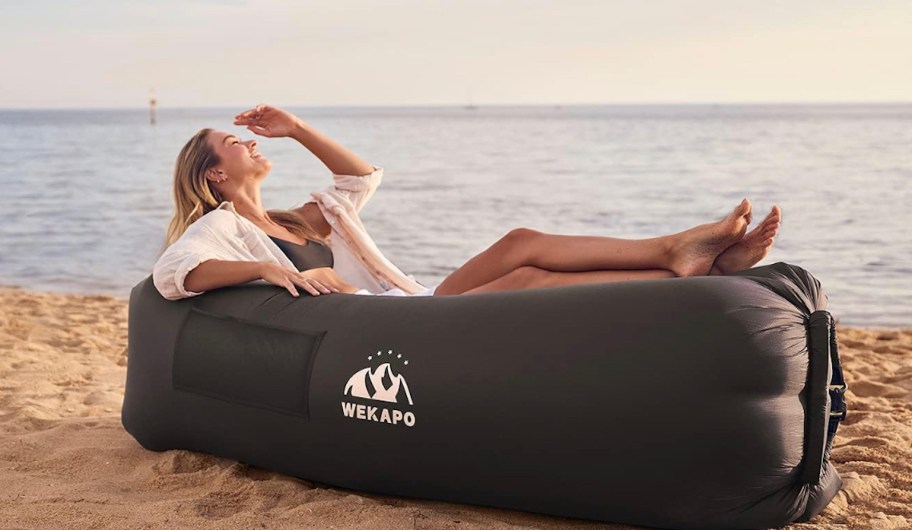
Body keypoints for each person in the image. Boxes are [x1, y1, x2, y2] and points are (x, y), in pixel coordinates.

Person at [152, 104, 782, 301]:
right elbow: (175, 273)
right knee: (522, 260)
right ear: (212, 175)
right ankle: (680, 255)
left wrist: (299, 130)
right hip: (390, 330)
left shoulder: (294, 218)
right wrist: (271, 268)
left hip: (413, 303)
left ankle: (688, 261)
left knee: (523, 254)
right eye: (233, 142)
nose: (248, 141)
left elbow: (360, 180)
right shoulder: (227, 230)